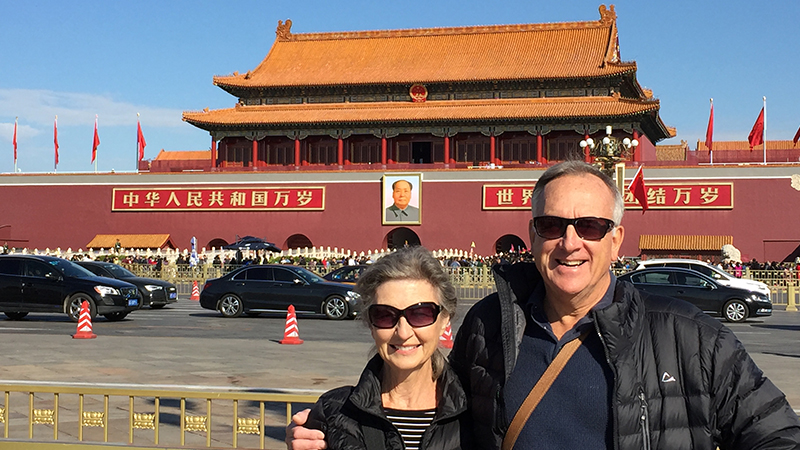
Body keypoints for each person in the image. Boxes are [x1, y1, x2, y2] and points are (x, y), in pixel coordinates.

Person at [289, 161, 800, 450]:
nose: (570, 243)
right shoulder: (491, 325)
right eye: (552, 226)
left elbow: (776, 436)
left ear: (616, 239)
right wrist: (334, 422)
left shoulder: (686, 336)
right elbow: (434, 409)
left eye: (590, 226)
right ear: (532, 236)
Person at [298, 246, 471, 450]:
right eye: (385, 315)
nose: (403, 333)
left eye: (420, 314)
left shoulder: (478, 415)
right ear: (370, 325)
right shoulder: (333, 413)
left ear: (444, 321)